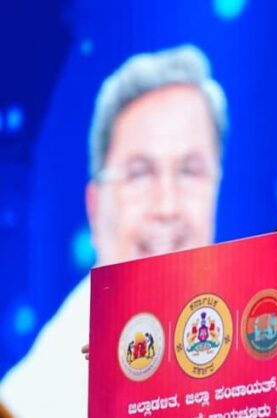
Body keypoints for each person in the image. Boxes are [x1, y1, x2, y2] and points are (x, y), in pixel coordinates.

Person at [0, 44, 228, 417]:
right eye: (139, 173)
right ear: (95, 208)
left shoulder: (260, 356)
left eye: (190, 171)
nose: (167, 206)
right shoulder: (30, 401)